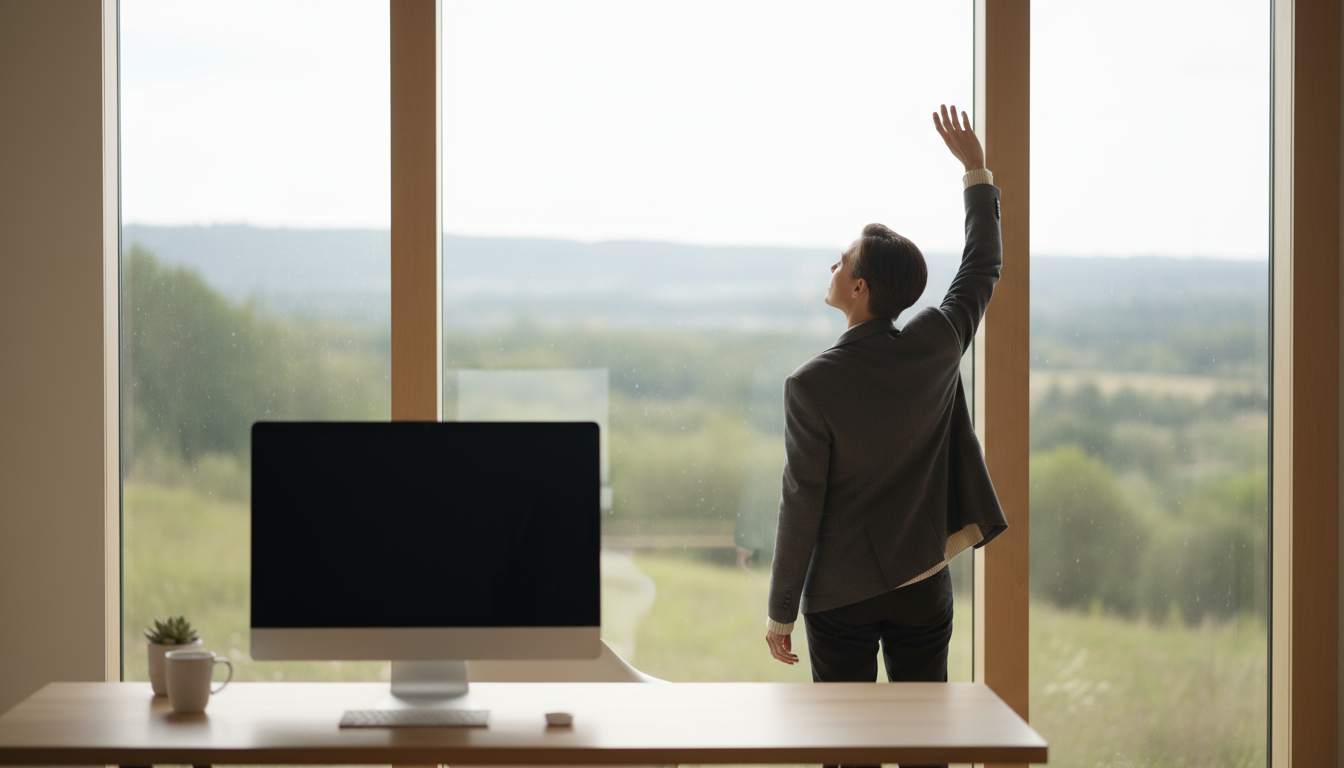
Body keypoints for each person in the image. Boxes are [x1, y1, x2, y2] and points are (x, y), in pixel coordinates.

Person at [764, 105, 1009, 768]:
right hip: (923, 582)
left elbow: (801, 502)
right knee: (925, 746)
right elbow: (983, 267)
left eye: (841, 262)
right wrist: (975, 171)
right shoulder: (936, 341)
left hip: (840, 598)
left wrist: (780, 612)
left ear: (859, 287)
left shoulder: (809, 385)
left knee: (848, 754)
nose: (833, 266)